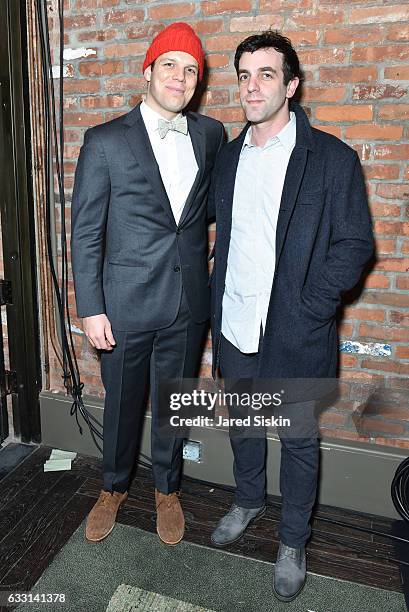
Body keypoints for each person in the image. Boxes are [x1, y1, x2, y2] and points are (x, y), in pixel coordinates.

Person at [209, 31, 373, 601]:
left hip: (296, 330)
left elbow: (354, 245)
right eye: (244, 76)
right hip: (234, 325)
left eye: (267, 75)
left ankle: (293, 540)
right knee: (244, 425)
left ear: (292, 85)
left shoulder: (330, 158)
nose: (253, 87)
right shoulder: (229, 157)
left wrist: (310, 305)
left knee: (298, 439)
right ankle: (249, 499)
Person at [71, 22, 225, 546]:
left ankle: (167, 490)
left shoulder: (209, 135)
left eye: (190, 70)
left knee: (172, 401)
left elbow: (207, 213)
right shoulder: (105, 141)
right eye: (170, 66)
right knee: (122, 404)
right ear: (148, 72)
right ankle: (112, 488)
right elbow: (86, 232)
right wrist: (91, 307)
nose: (180, 78)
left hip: (187, 302)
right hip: (124, 305)